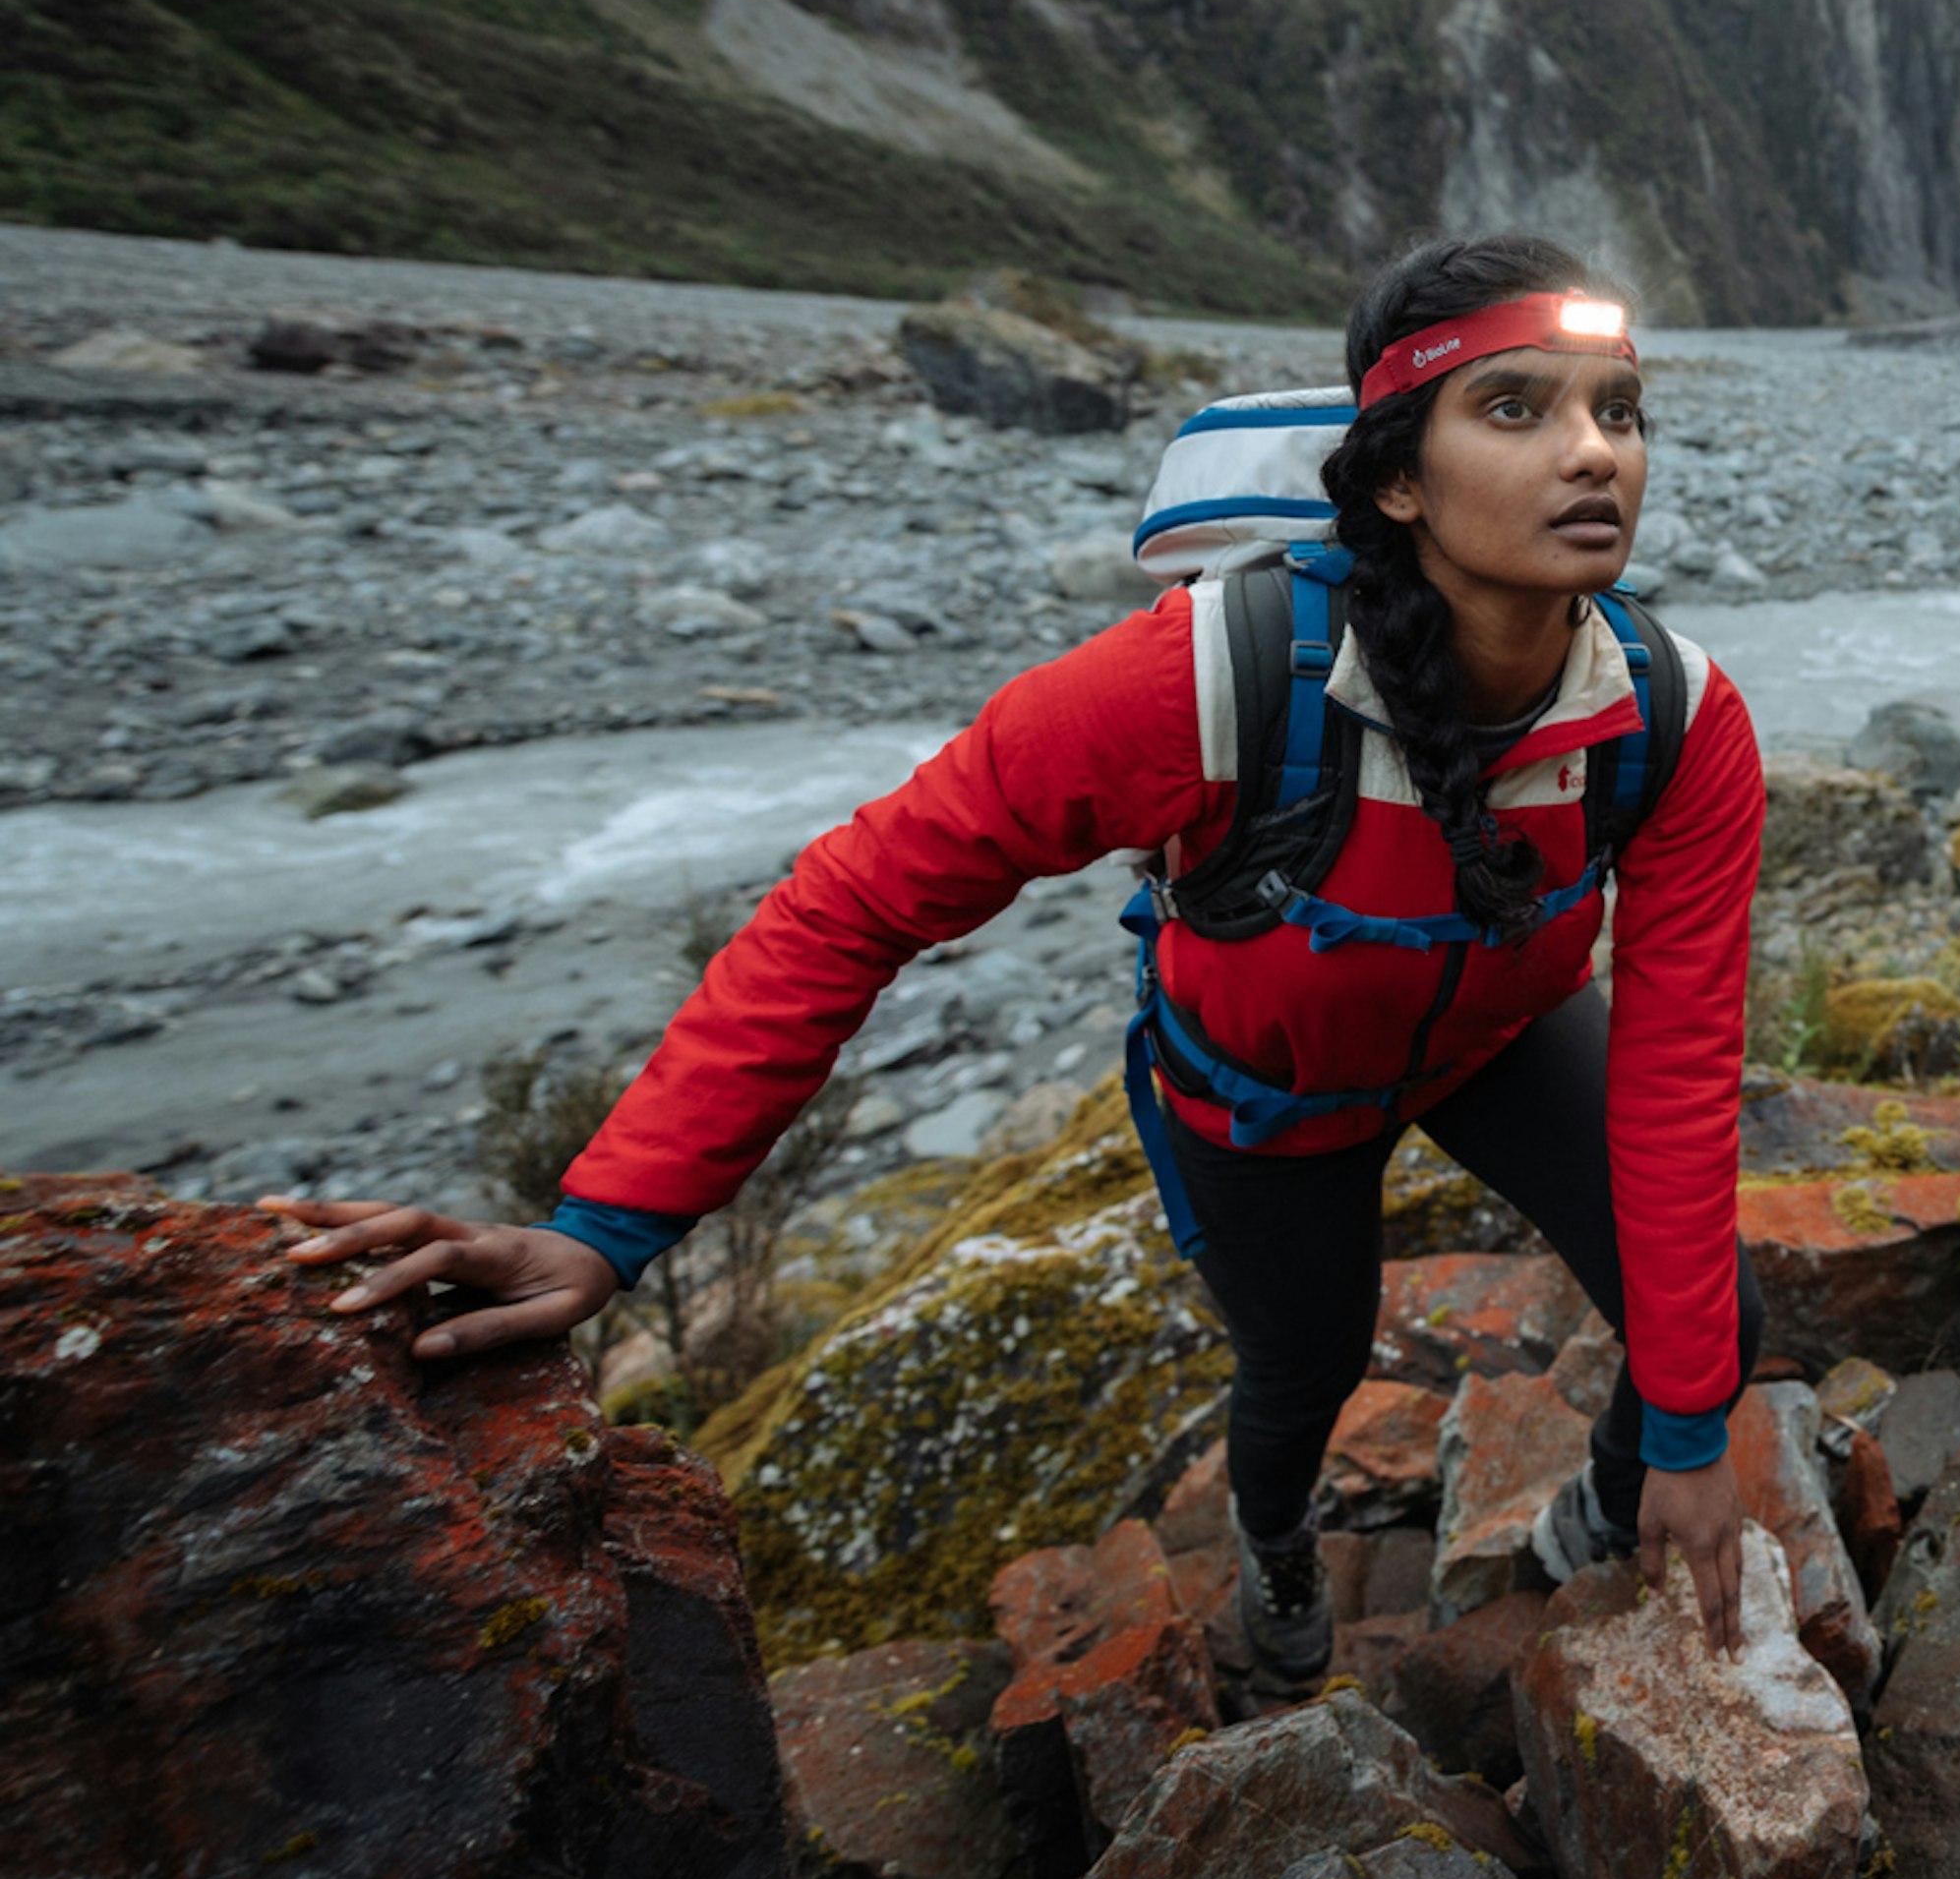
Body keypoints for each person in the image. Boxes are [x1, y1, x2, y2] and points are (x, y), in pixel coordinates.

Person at [267, 232, 1771, 1678]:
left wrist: (1693, 1439)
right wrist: (608, 1225)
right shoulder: (1196, 679)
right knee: (1305, 1367)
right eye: (1516, 407)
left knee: (1715, 1325)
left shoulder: (1673, 715)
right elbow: (855, 901)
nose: (1594, 452)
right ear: (1394, 478)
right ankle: (1274, 1543)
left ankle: (1587, 1533)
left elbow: (1682, 1063)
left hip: (1497, 1037)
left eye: (1618, 411)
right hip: (1260, 1093)